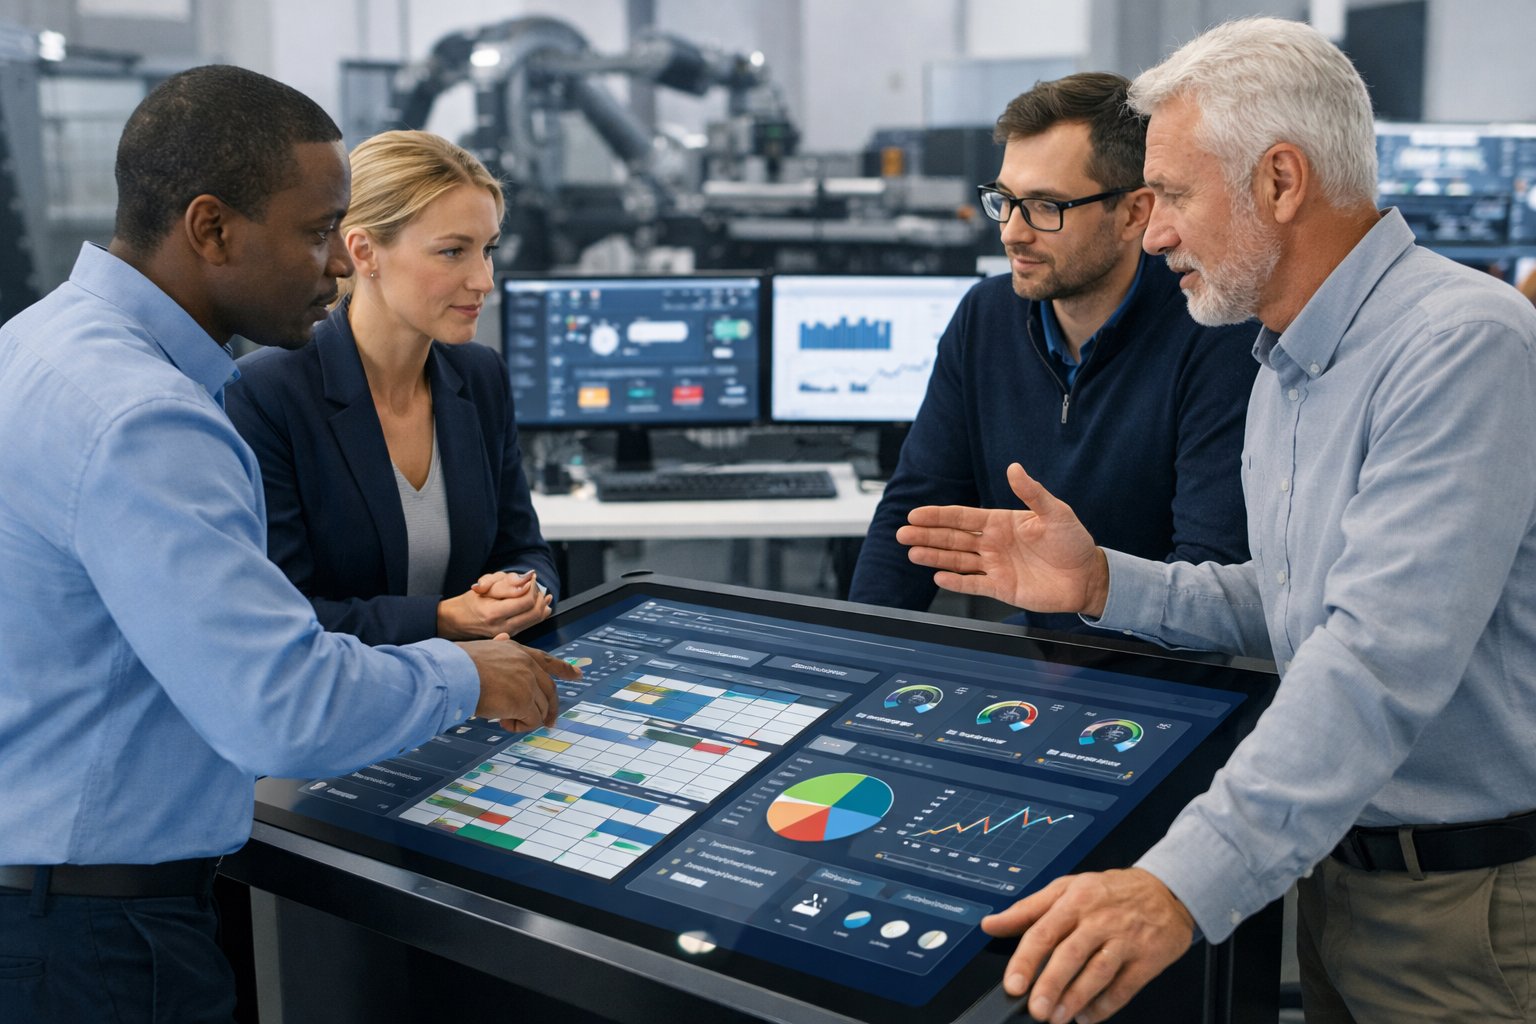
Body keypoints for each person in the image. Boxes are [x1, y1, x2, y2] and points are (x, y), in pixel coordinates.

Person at [899, 17, 1536, 1024]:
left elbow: (1373, 660)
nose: (1153, 234)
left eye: (1177, 197)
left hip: (1464, 908)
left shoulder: (1460, 345)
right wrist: (1104, 582)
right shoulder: (1284, 356)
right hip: (1340, 872)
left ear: (1281, 181)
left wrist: (1180, 881)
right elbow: (1291, 599)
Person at [0, 66, 579, 1023]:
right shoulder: (151, 419)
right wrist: (468, 674)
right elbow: (280, 704)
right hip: (91, 938)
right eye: (318, 234)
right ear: (212, 227)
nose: (337, 264)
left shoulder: (42, 342)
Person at [847, 72, 1256, 629]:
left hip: (1166, 683)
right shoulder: (985, 316)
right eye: (1005, 200)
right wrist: (858, 651)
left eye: (1045, 206)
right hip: (1033, 660)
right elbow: (914, 515)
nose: (1013, 232)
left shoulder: (1211, 332)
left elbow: (1210, 573)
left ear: (1135, 213)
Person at [228, 130, 556, 646]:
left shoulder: (481, 376)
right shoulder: (266, 394)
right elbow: (283, 614)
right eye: (453, 252)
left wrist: (520, 591)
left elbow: (526, 548)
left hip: (473, 695)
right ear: (364, 252)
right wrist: (444, 618)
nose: (484, 280)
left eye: (488, 250)